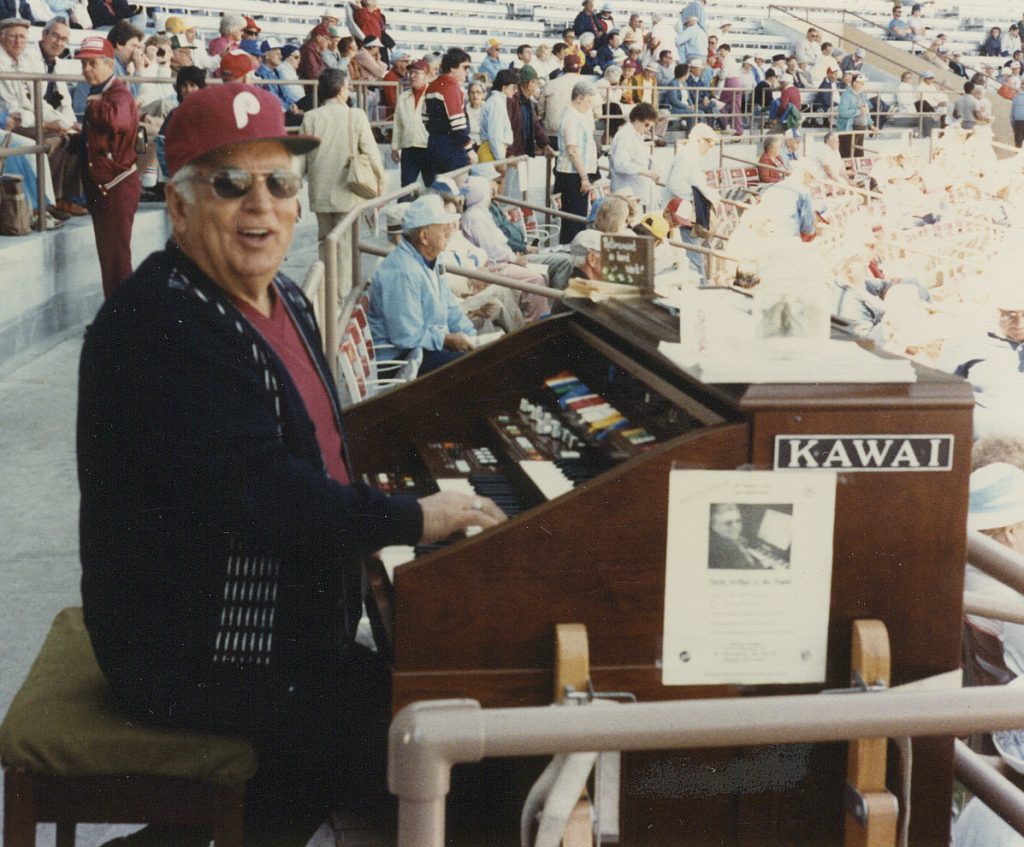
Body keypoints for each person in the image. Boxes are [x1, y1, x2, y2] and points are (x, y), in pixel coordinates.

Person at [79, 83, 505, 846]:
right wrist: (415, 515)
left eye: (279, 183)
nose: (261, 207)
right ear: (178, 208)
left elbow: (318, 446)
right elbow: (268, 497)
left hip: (265, 629)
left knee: (409, 705)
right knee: (420, 733)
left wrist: (405, 483)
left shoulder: (282, 299)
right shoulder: (161, 327)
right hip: (187, 646)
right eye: (230, 184)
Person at [368, 193, 482, 374]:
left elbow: (451, 309)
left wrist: (472, 338)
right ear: (424, 236)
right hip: (401, 362)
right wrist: (446, 340)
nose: (449, 230)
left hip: (421, 350)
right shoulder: (403, 271)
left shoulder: (428, 260)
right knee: (474, 369)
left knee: (482, 358)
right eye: (442, 227)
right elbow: (406, 336)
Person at [299, 68, 385, 299]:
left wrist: (292, 192)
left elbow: (299, 159)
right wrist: (381, 186)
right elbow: (372, 154)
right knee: (345, 248)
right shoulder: (355, 116)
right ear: (340, 89)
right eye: (347, 87)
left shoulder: (310, 117)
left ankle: (326, 291)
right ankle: (340, 299)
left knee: (324, 245)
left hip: (320, 195)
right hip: (349, 193)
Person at [73, 35, 139, 297]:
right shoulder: (103, 92)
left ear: (109, 65)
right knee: (111, 260)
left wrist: (93, 108)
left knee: (116, 261)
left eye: (93, 64)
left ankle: (124, 327)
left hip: (115, 187)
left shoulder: (117, 92)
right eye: (84, 64)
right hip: (106, 187)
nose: (87, 70)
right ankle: (119, 322)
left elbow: (118, 120)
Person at [662, 122, 718, 282]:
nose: (711, 146)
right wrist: (701, 199)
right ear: (698, 139)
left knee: (692, 258)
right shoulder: (688, 156)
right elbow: (676, 184)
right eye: (709, 141)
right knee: (693, 260)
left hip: (684, 215)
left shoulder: (690, 156)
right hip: (681, 216)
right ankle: (700, 291)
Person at [554, 80, 596, 244]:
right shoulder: (571, 118)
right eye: (588, 102)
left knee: (577, 219)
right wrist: (584, 177)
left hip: (576, 173)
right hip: (573, 174)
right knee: (573, 220)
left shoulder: (576, 116)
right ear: (579, 98)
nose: (589, 106)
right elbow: (572, 150)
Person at [424, 47, 477, 179]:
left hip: (433, 145)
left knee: (440, 193)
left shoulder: (432, 85)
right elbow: (458, 125)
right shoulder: (451, 87)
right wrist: (470, 150)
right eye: (464, 67)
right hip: (453, 149)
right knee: (458, 193)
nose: (467, 72)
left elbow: (424, 118)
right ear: (453, 67)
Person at [506, 63, 555, 198]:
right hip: (512, 153)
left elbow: (535, 125)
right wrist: (509, 153)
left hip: (522, 152)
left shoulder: (528, 101)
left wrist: (545, 144)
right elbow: (508, 127)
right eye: (536, 82)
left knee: (519, 191)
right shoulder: (512, 100)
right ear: (529, 83)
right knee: (509, 191)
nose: (538, 85)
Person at [608, 101, 658, 209]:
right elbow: (620, 164)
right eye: (646, 124)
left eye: (650, 126)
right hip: (626, 191)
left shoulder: (636, 135)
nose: (648, 128)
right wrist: (644, 172)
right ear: (636, 119)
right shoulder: (626, 136)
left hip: (635, 191)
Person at [391, 58, 430, 187]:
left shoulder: (433, 96)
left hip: (428, 148)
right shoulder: (403, 97)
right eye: (411, 73)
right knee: (406, 189)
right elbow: (398, 124)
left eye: (416, 73)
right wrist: (395, 146)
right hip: (409, 148)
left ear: (426, 76)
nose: (412, 76)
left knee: (433, 187)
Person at [479, 68, 517, 165]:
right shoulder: (496, 103)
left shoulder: (497, 101)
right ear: (504, 87)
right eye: (513, 87)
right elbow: (495, 136)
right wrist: (501, 161)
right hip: (491, 152)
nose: (515, 91)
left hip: (493, 150)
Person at [708, 504, 762, 569]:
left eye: (738, 521)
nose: (735, 527)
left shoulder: (727, 537)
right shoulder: (729, 551)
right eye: (728, 523)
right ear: (714, 526)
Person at [837, 73, 873, 158]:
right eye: (860, 83)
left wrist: (871, 124)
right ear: (854, 83)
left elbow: (866, 110)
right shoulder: (846, 95)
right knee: (847, 153)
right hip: (849, 128)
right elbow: (843, 112)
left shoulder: (862, 95)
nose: (862, 85)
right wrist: (858, 111)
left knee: (858, 153)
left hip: (861, 128)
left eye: (863, 83)